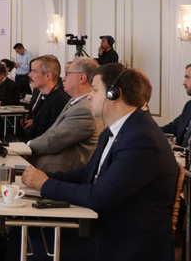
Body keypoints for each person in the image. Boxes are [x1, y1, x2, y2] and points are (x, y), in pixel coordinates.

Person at [18, 64, 178, 261]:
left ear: (114, 94)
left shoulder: (142, 138)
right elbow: (88, 174)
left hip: (126, 244)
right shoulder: (116, 130)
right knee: (22, 230)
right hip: (104, 229)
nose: (90, 96)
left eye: (94, 90)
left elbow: (99, 197)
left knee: (29, 243)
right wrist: (42, 178)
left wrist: (45, 185)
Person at [28, 57, 103, 172]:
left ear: (81, 78)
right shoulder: (75, 101)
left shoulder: (85, 109)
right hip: (48, 163)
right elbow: (52, 132)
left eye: (67, 74)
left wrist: (27, 146)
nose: (63, 78)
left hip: (61, 172)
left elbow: (53, 140)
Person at [21, 55, 70, 141]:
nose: (30, 75)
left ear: (48, 76)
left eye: (34, 71)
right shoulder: (45, 96)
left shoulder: (59, 101)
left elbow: (52, 137)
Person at [161, 63, 191, 146]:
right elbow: (171, 129)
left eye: (188, 77)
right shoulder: (189, 106)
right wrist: (145, 129)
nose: (184, 83)